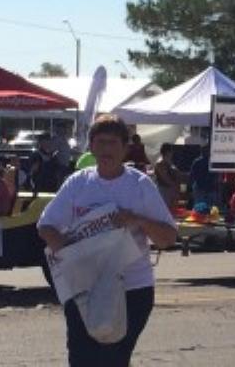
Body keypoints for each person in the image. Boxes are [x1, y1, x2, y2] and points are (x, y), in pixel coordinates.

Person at [37, 114, 177, 367]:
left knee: (112, 359)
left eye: (113, 143)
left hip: (131, 289)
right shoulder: (78, 183)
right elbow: (46, 226)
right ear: (91, 146)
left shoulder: (139, 185)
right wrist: (70, 255)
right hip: (84, 288)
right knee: (81, 359)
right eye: (100, 142)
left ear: (125, 148)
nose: (106, 149)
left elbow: (168, 238)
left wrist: (137, 220)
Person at [154, 143, 181, 210]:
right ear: (167, 152)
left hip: (171, 190)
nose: (172, 153)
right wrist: (175, 187)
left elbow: (177, 174)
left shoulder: (170, 163)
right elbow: (166, 179)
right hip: (163, 191)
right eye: (171, 151)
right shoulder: (160, 163)